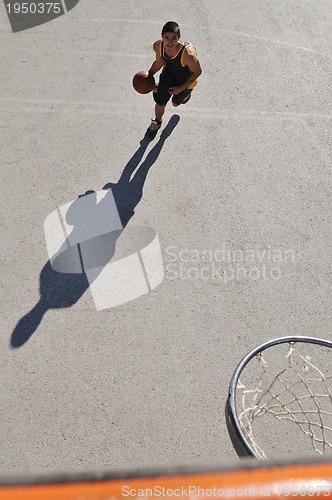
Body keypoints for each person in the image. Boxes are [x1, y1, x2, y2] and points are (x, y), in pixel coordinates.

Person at [146, 21, 202, 137]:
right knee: (160, 102)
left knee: (175, 103)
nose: (170, 42)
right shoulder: (158, 46)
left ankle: (185, 96)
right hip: (168, 76)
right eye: (166, 38)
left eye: (174, 38)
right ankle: (157, 122)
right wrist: (149, 76)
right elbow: (159, 61)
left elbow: (198, 71)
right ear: (162, 36)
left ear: (179, 38)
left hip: (185, 80)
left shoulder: (188, 54)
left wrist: (180, 88)